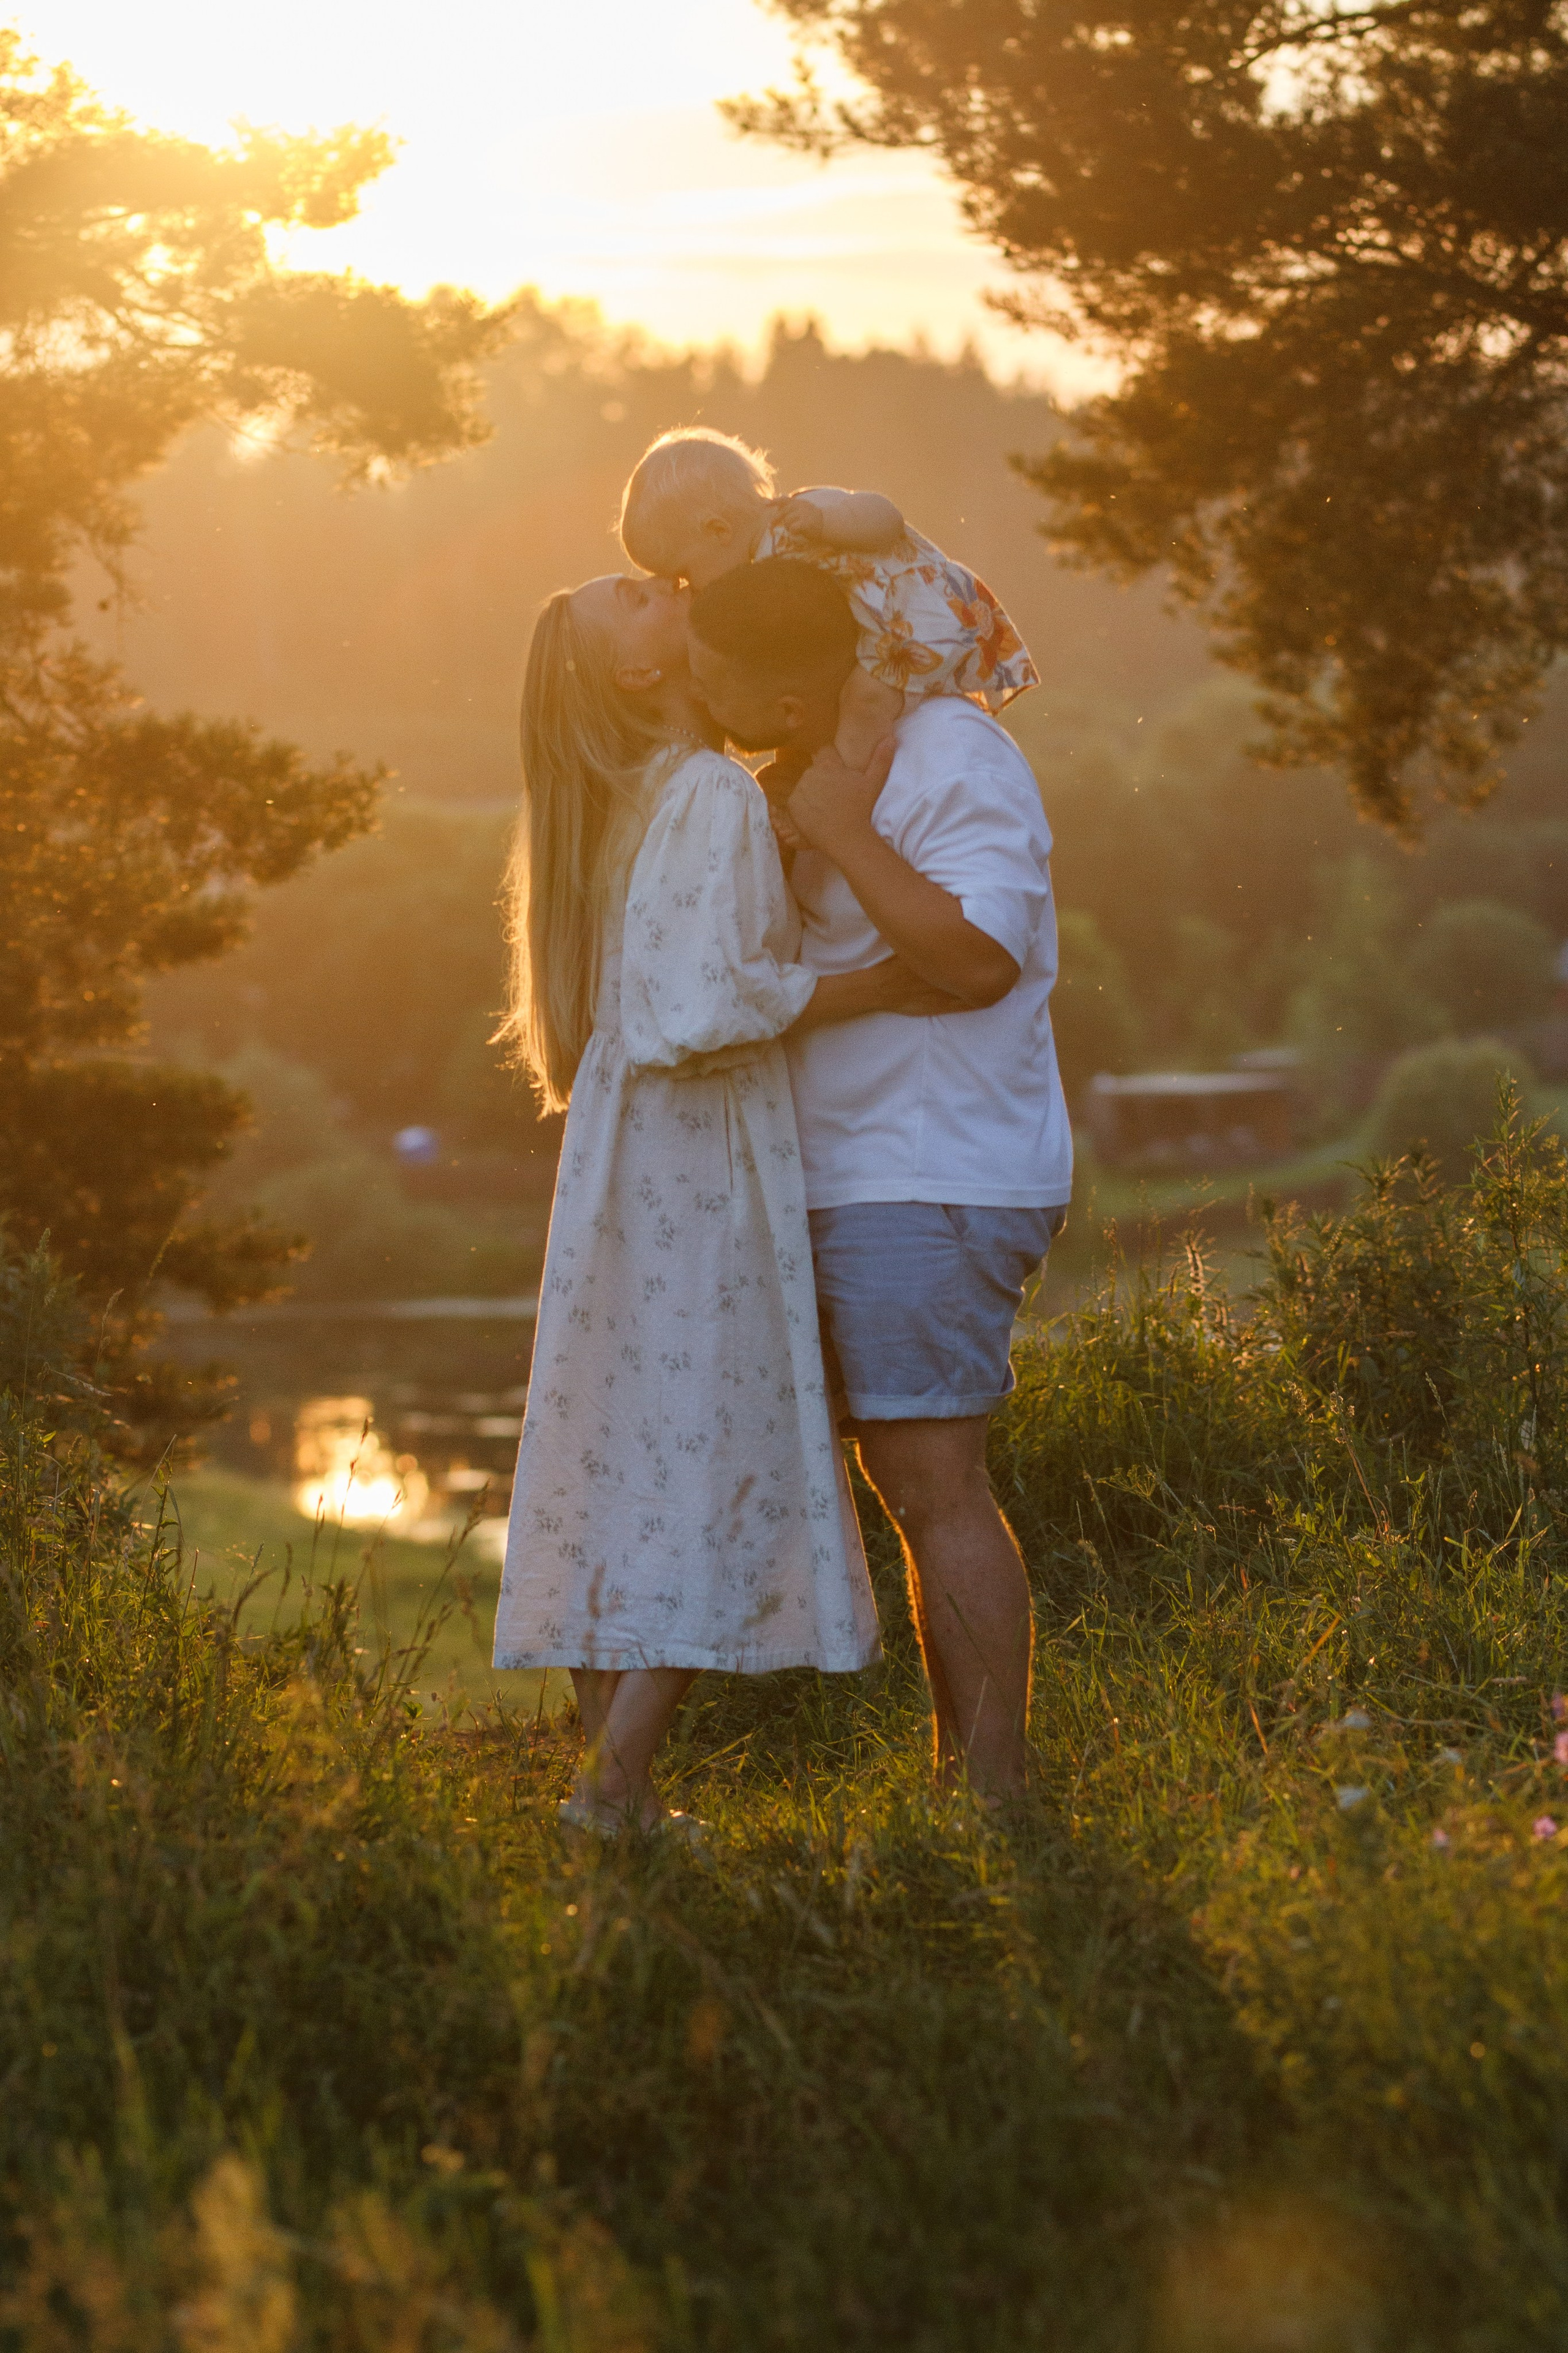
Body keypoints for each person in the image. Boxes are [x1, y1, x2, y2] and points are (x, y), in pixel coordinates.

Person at [491, 570, 953, 1833]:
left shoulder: (643, 801)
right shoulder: (700, 796)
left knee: (624, 1449)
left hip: (624, 1159)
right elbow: (700, 1010)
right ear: (639, 672)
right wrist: (881, 986)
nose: (666, 590)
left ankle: (620, 1800)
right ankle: (612, 1786)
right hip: (696, 1165)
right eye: (633, 601)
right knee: (715, 1455)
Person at [686, 559, 1073, 1803]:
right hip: (857, 1169)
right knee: (902, 1486)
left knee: (931, 1484)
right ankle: (960, 1782)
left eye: (722, 674)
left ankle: (992, 1795)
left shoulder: (952, 752)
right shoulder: (810, 771)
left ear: (793, 692)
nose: (702, 688)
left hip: (930, 1162)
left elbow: (975, 959)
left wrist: (841, 830)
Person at [619, 426, 1038, 767]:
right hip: (888, 637)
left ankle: (849, 791)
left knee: (863, 700)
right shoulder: (759, 568)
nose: (691, 590)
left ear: (717, 531)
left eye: (685, 574)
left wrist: (827, 522)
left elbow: (887, 516)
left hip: (924, 620)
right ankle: (810, 775)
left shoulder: (800, 516)